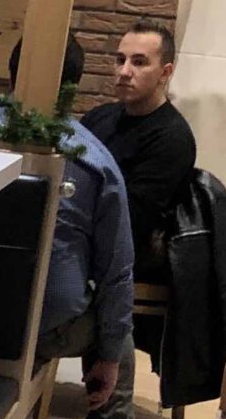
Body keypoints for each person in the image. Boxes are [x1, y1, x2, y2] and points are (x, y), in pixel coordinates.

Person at [1, 37, 138, 419]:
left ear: (10, 72)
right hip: (41, 327)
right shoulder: (94, 161)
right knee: (117, 325)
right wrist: (109, 356)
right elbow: (117, 272)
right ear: (73, 87)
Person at [80, 22, 195, 278]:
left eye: (139, 62)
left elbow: (132, 219)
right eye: (120, 60)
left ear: (165, 73)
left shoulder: (172, 138)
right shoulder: (100, 117)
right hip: (79, 233)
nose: (124, 71)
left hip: (121, 256)